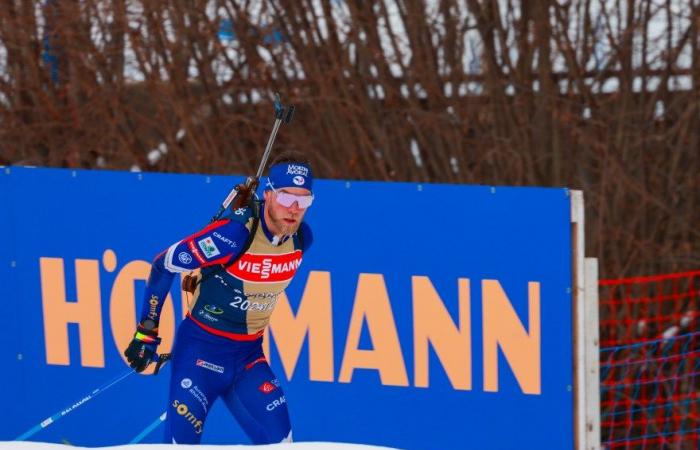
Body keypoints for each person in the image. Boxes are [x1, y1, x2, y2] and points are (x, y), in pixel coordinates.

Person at [124, 151, 314, 444]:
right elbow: (164, 264)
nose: (294, 209)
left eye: (303, 201)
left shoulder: (302, 239)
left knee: (282, 443)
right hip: (199, 356)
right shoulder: (232, 236)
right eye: (288, 197)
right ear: (269, 194)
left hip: (249, 359)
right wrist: (146, 332)